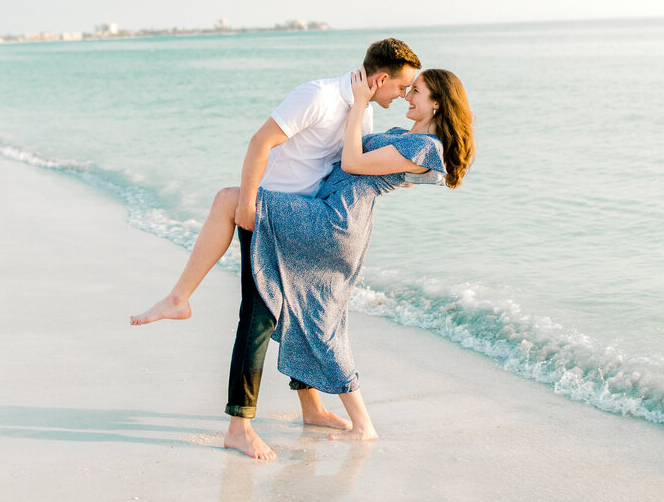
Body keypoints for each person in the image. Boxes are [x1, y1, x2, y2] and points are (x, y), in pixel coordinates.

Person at [131, 66, 475, 459]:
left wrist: (360, 102)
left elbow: (350, 162)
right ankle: (330, 415)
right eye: (408, 87)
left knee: (230, 199)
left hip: (333, 222)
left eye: (417, 91)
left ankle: (180, 297)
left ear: (438, 102)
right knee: (315, 315)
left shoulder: (425, 149)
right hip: (331, 215)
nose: (408, 96)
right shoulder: (405, 138)